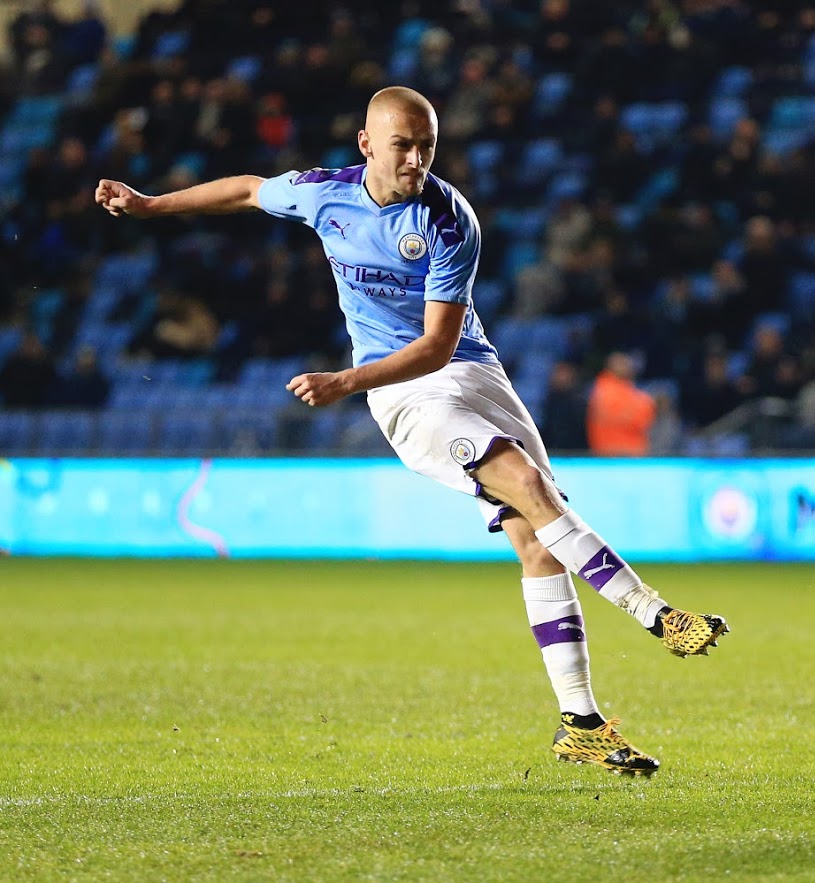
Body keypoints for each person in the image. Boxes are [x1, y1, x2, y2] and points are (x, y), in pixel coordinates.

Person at [95, 86, 729, 777]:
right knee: (525, 485)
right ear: (366, 144)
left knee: (538, 538)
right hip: (404, 393)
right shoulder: (321, 193)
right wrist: (153, 204)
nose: (417, 159)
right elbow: (249, 190)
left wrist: (341, 382)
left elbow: (436, 345)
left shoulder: (450, 220)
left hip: (468, 372)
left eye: (427, 145)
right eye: (402, 145)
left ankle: (578, 721)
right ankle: (657, 614)